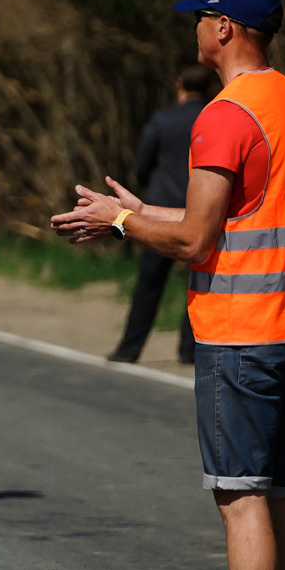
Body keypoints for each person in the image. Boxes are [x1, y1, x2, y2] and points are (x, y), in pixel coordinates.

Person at [54, 0, 285, 570]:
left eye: (201, 17)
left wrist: (120, 219)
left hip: (242, 333)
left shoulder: (224, 113)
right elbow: (238, 212)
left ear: (225, 30)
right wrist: (148, 210)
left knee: (240, 498)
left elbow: (197, 237)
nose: (195, 28)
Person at [109, 68, 216, 364]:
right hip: (202, 210)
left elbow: (142, 164)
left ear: (179, 85)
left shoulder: (162, 120)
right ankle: (188, 349)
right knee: (197, 283)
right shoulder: (214, 118)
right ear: (207, 88)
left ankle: (129, 349)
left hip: (159, 211)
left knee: (149, 283)